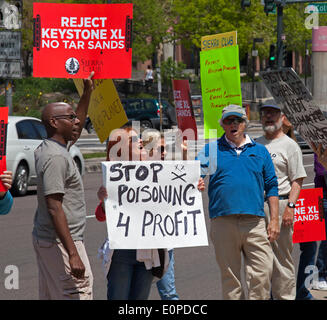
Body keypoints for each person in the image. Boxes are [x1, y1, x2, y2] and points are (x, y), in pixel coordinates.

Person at [196, 104, 279, 300]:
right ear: (222, 125)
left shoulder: (260, 150)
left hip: (255, 222)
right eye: (228, 121)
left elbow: (272, 186)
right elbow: (193, 174)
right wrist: (196, 181)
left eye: (238, 120)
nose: (233, 124)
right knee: (230, 279)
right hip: (223, 222)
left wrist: (274, 220)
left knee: (262, 273)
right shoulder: (212, 149)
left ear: (245, 124)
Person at [32, 72, 94, 300]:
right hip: (60, 243)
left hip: (50, 240)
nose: (77, 120)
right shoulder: (55, 157)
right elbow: (54, 206)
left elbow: (77, 123)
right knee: (77, 293)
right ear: (54, 123)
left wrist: (87, 93)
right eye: (71, 117)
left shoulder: (55, 147)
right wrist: (73, 254)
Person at [95, 126, 168, 300]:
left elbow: (174, 199)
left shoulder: (157, 170)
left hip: (148, 249)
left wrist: (193, 188)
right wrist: (104, 201)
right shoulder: (115, 176)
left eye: (139, 138)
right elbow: (100, 216)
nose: (141, 141)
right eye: (134, 140)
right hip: (122, 251)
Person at [256, 104, 306, 300]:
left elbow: (298, 179)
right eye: (265, 113)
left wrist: (290, 208)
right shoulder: (255, 144)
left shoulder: (289, 145)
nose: (269, 117)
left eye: (273, 113)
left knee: (281, 261)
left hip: (282, 205)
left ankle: (285, 297)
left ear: (281, 117)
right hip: (257, 207)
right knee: (259, 260)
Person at [142, 129, 181, 300]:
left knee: (168, 293)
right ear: (149, 149)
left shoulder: (171, 172)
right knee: (135, 294)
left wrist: (194, 188)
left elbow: (183, 197)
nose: (165, 153)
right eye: (161, 149)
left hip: (163, 244)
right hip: (138, 245)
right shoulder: (128, 174)